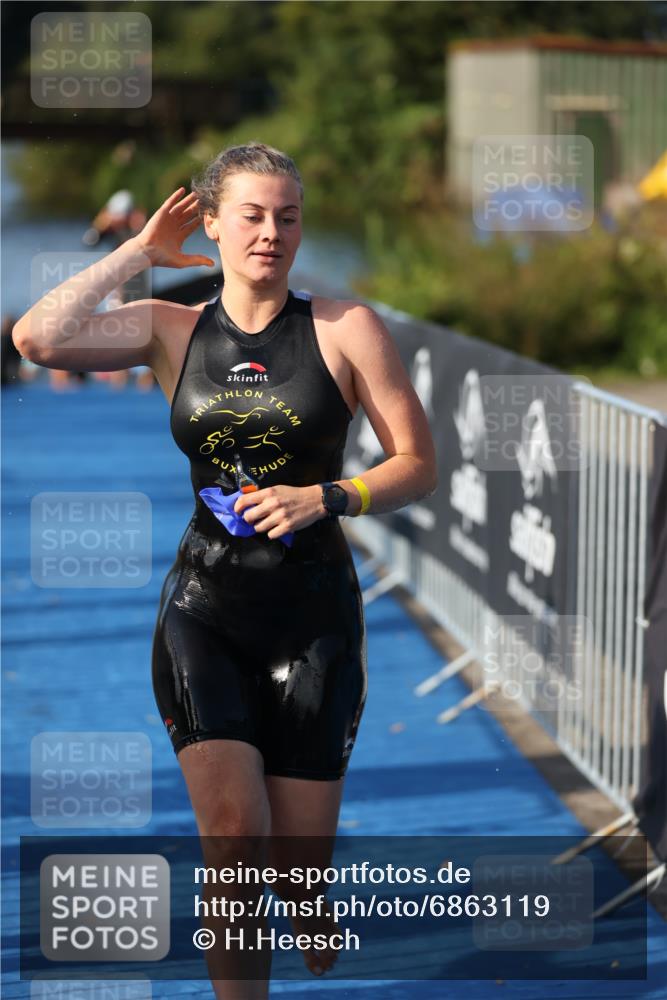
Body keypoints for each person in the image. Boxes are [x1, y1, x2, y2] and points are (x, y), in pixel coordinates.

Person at [12, 141, 437, 998]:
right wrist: (137, 254)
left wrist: (332, 496)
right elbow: (36, 337)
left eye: (287, 216)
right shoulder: (172, 329)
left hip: (314, 617)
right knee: (233, 840)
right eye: (250, 215)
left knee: (296, 869)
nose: (271, 233)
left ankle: (307, 896)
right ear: (210, 224)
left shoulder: (345, 329)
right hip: (205, 608)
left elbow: (417, 462)